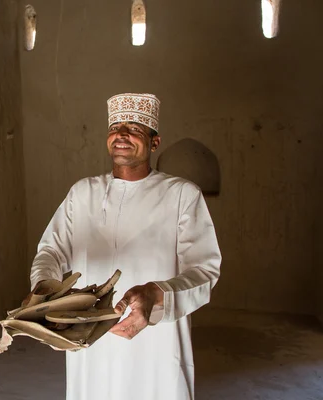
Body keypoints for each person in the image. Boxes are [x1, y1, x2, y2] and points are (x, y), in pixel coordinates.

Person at [28, 93, 222, 400]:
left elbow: (204, 271)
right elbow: (52, 251)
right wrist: (44, 291)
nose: (122, 134)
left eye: (134, 128)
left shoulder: (182, 195)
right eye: (116, 126)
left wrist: (155, 294)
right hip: (90, 329)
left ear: (154, 143)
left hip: (155, 337)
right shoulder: (83, 193)